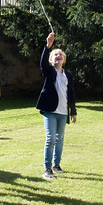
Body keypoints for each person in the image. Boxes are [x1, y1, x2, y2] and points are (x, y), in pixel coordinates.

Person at [36, 33, 77, 180]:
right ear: (51, 60)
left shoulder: (68, 75)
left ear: (64, 60)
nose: (58, 56)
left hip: (63, 111)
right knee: (51, 138)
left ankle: (56, 165)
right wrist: (48, 46)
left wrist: (73, 111)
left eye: (60, 55)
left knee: (60, 138)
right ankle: (47, 168)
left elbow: (71, 94)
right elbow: (42, 63)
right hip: (50, 110)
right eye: (55, 54)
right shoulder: (49, 72)